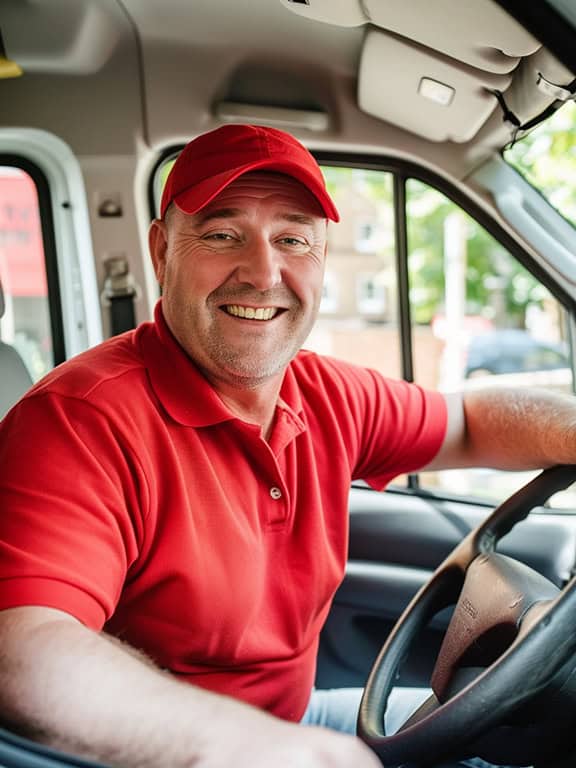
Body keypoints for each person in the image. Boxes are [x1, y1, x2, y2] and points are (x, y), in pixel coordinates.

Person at [0, 123, 575, 768]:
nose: (262, 271)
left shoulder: (326, 393)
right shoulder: (78, 420)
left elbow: (470, 421)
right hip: (154, 753)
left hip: (291, 720)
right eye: (222, 234)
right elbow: (27, 646)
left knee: (516, 731)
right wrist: (256, 748)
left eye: (293, 239)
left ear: (321, 261)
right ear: (162, 252)